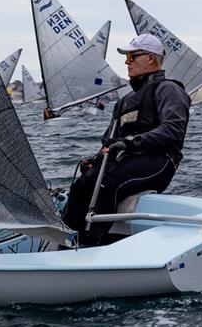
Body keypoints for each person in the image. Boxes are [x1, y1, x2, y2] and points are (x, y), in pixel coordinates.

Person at [62, 34, 190, 247]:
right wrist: (95, 158)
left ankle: (93, 247)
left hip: (159, 161)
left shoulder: (169, 89)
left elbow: (173, 129)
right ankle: (65, 243)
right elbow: (110, 140)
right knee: (82, 184)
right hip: (125, 161)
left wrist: (132, 143)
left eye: (132, 57)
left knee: (106, 183)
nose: (126, 62)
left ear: (150, 58)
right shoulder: (124, 102)